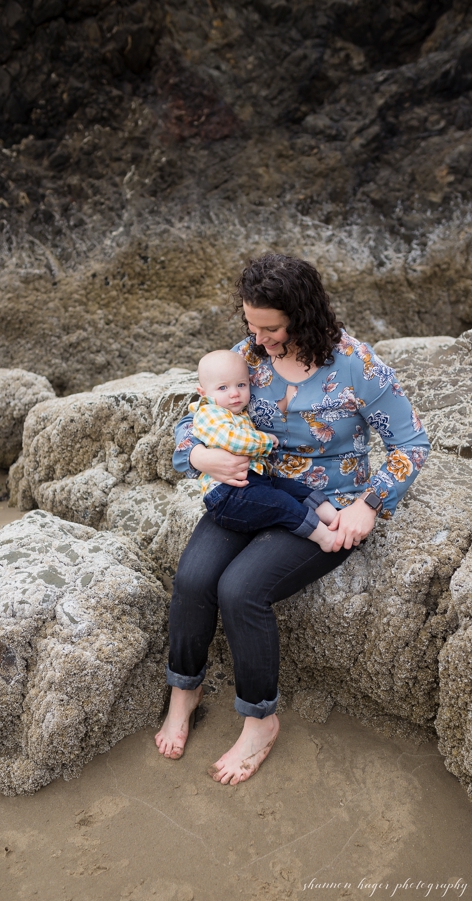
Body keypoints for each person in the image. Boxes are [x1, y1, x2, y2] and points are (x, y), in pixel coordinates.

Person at [155, 252, 430, 783]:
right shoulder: (248, 355)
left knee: (240, 590)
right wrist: (199, 456)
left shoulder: (357, 365)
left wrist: (369, 504)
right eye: (251, 326)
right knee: (192, 579)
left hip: (326, 504)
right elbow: (198, 415)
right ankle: (184, 690)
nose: (258, 340)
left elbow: (412, 443)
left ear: (303, 316)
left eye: (271, 329)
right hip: (250, 489)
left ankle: (261, 721)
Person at [184, 350, 341, 544]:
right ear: (202, 393)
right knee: (281, 503)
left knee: (293, 489)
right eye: (223, 388)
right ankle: (325, 537)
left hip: (255, 481)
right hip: (227, 495)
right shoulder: (209, 413)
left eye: (241, 385)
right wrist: (265, 441)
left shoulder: (237, 413)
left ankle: (334, 518)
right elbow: (234, 441)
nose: (234, 393)